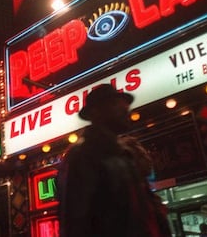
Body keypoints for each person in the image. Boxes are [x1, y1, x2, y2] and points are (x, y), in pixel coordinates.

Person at [57, 84, 171, 237]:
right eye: (114, 103)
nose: (125, 108)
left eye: (124, 102)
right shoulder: (82, 155)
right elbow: (75, 222)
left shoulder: (122, 155)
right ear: (95, 112)